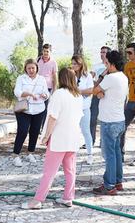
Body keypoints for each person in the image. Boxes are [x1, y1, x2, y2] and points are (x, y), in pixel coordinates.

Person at [21, 68, 83, 209]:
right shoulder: (78, 96)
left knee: (49, 172)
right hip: (73, 138)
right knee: (70, 170)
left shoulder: (58, 94)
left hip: (59, 139)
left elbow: (52, 117)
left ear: (61, 79)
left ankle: (37, 200)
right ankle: (68, 198)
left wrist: (46, 136)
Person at [92, 50, 128, 196]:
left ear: (111, 64)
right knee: (117, 153)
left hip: (109, 121)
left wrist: (100, 89)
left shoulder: (110, 78)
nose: (105, 65)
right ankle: (118, 181)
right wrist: (101, 93)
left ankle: (109, 185)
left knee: (110, 155)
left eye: (107, 63)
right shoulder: (123, 77)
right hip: (120, 120)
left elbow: (95, 89)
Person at [12, 58, 50, 166]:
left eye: (33, 68)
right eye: (29, 68)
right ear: (25, 69)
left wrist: (45, 95)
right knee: (22, 131)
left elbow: (46, 92)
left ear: (36, 68)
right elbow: (17, 92)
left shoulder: (41, 79)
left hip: (39, 110)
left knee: (35, 132)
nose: (31, 70)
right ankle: (16, 155)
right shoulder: (21, 78)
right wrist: (28, 94)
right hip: (24, 110)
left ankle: (30, 153)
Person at [71, 55, 94, 164]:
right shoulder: (70, 75)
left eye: (75, 64)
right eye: (72, 63)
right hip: (72, 108)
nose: (73, 66)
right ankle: (71, 155)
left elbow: (90, 90)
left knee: (86, 131)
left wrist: (78, 91)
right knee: (73, 131)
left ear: (80, 64)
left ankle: (90, 155)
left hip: (84, 108)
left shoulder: (87, 76)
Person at [90, 46, 110, 147]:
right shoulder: (95, 66)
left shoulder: (111, 67)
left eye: (104, 52)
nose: (102, 54)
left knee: (104, 119)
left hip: (107, 95)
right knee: (92, 118)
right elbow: (91, 78)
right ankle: (90, 141)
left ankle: (103, 141)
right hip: (96, 93)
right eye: (101, 52)